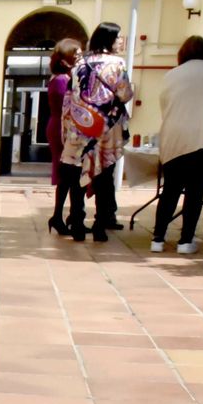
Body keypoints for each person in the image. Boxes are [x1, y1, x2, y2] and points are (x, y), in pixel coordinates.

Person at [152, 36, 203, 254]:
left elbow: (165, 105)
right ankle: (185, 241)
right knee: (195, 191)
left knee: (170, 189)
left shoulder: (171, 75)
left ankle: (157, 239)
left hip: (175, 138)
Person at [59, 21, 134, 243]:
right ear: (109, 39)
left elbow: (69, 98)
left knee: (76, 177)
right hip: (105, 129)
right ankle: (100, 225)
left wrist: (67, 129)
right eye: (118, 37)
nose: (120, 41)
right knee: (103, 176)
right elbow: (125, 94)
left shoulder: (79, 64)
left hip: (79, 127)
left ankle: (77, 223)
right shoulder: (117, 64)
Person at [46, 38, 83, 236]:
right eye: (76, 54)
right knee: (68, 174)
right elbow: (68, 108)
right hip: (63, 128)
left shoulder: (61, 78)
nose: (80, 57)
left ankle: (59, 216)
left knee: (66, 176)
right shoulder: (62, 80)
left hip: (61, 126)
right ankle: (61, 216)